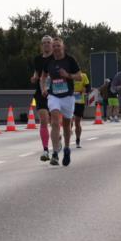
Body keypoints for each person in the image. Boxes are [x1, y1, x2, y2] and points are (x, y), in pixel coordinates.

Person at [39, 37, 81, 166]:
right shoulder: (49, 62)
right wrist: (44, 88)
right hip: (54, 96)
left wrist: (68, 75)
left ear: (63, 47)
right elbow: (43, 76)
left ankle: (67, 148)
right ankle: (56, 152)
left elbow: (79, 76)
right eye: (54, 46)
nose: (56, 48)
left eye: (58, 46)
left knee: (67, 126)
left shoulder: (70, 60)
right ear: (52, 48)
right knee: (55, 121)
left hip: (67, 97)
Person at [30, 36, 54, 161]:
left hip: (56, 93)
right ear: (41, 45)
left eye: (48, 42)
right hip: (41, 93)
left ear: (52, 44)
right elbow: (37, 72)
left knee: (55, 123)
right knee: (44, 120)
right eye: (44, 43)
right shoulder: (38, 59)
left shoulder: (57, 58)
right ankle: (45, 150)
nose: (46, 45)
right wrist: (34, 77)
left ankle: (57, 138)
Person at [72, 69, 90, 148]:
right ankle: (68, 135)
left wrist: (84, 90)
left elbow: (88, 87)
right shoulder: (69, 76)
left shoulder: (84, 76)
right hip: (69, 101)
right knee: (68, 121)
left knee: (77, 122)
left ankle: (78, 139)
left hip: (80, 101)